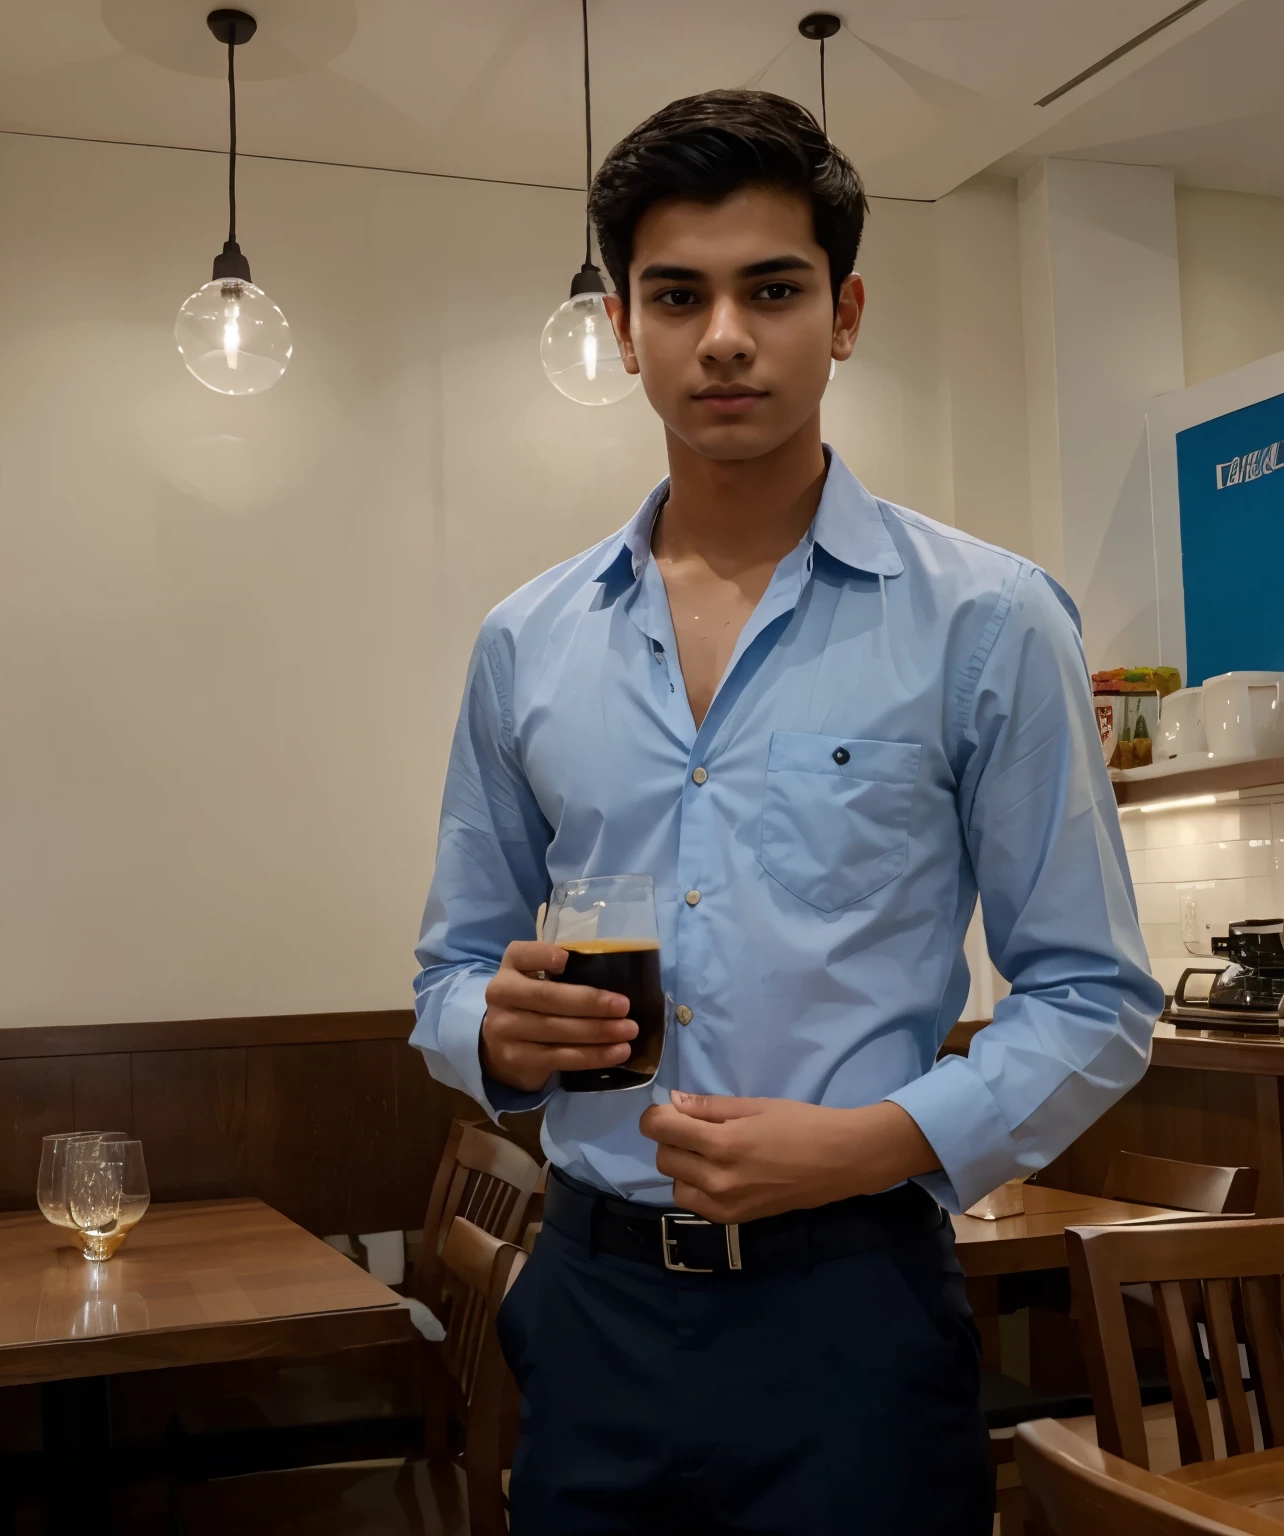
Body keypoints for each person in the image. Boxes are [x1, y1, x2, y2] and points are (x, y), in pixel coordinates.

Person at [411, 87, 1161, 1534]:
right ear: (624, 328)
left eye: (774, 288)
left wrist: (881, 1141)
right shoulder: (528, 641)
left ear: (847, 310)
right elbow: (453, 968)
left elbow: (1095, 994)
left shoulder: (989, 621)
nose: (727, 337)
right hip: (592, 1304)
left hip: (856, 1309)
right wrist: (492, 1035)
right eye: (677, 296)